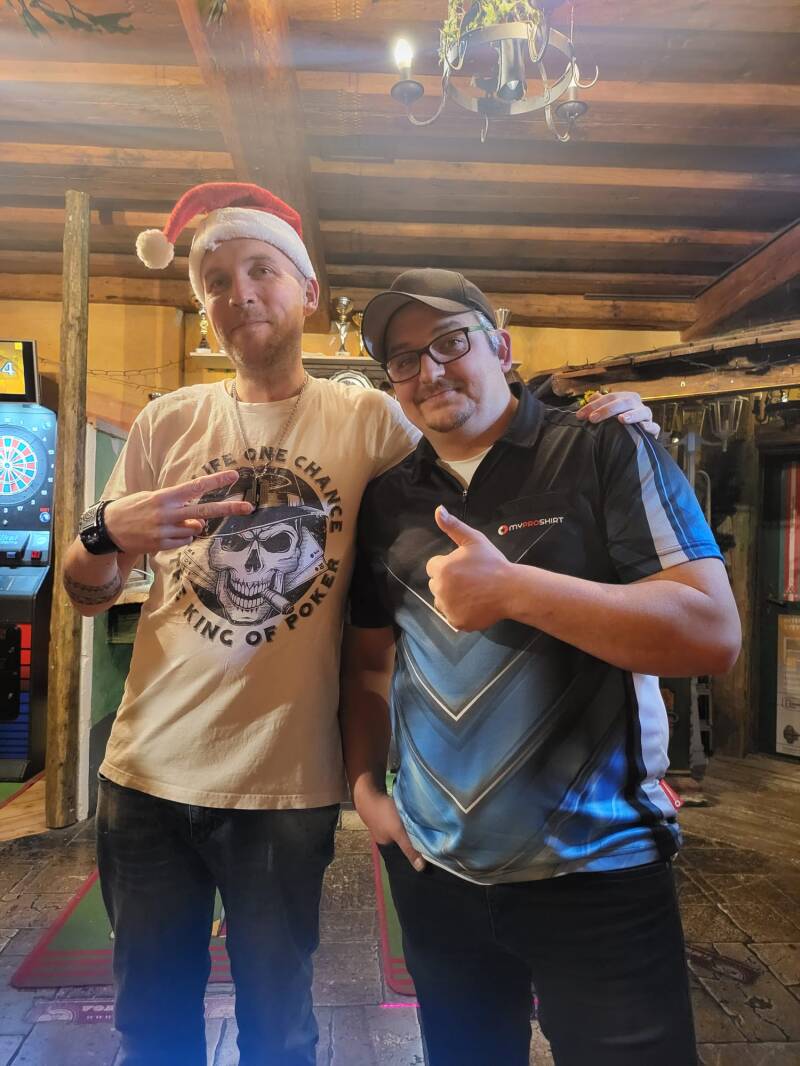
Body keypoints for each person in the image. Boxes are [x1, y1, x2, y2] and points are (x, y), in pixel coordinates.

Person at [62, 183, 659, 1066]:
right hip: (143, 774)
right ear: (203, 306)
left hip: (283, 783)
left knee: (280, 1028)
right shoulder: (167, 421)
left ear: (307, 291)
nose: (240, 293)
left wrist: (598, 428)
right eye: (216, 281)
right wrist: (102, 531)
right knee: (148, 1024)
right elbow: (84, 591)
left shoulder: (370, 418)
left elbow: (476, 453)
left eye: (261, 270)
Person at [342, 268, 741, 1066]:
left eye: (450, 342)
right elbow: (370, 666)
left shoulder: (604, 448)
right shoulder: (387, 498)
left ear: (502, 347)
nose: (429, 370)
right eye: (404, 359)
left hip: (600, 871)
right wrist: (365, 791)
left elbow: (710, 633)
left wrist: (517, 590)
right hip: (436, 873)